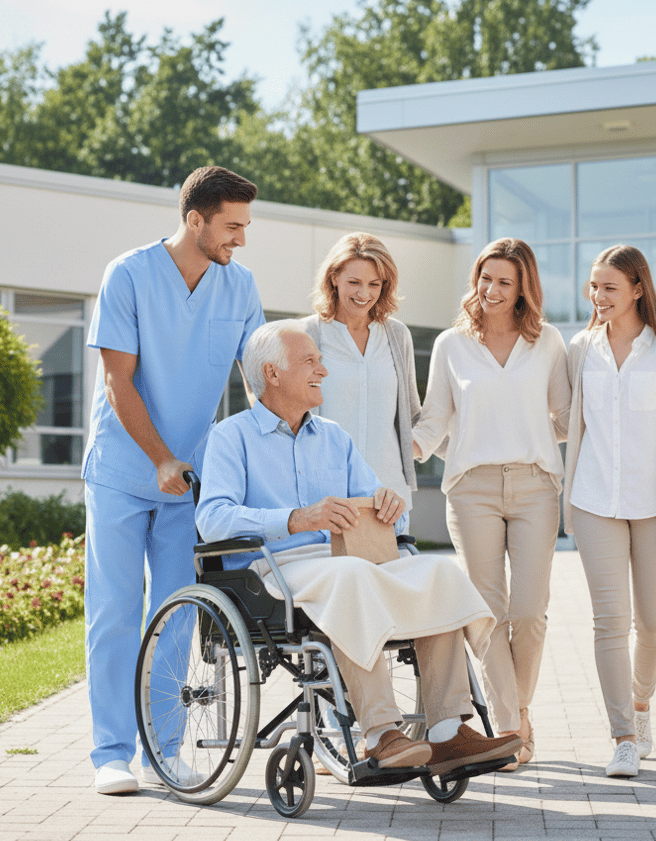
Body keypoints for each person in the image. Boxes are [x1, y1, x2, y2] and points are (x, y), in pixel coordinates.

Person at [196, 321, 523, 773]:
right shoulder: (231, 437)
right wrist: (295, 519)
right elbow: (212, 519)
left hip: (351, 561)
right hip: (275, 569)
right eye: (310, 361)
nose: (323, 370)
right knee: (351, 577)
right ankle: (381, 732)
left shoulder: (334, 437)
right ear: (271, 373)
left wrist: (389, 505)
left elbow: (385, 511)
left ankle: (447, 731)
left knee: (438, 573)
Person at [83, 165, 264, 795]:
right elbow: (118, 381)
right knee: (114, 610)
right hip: (125, 469)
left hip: (191, 480)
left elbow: (258, 381)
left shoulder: (239, 287)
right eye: (232, 226)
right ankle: (111, 751)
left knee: (177, 614)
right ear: (196, 219)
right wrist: (160, 457)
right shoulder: (128, 275)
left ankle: (163, 750)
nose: (241, 238)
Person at [411, 238, 570, 769]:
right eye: (485, 278)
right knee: (486, 611)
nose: (492, 290)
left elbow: (569, 418)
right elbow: (434, 419)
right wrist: (392, 451)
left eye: (505, 281)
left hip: (535, 486)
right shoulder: (453, 345)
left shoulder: (547, 343)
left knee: (528, 613)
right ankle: (511, 727)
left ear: (524, 287)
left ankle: (516, 712)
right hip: (472, 486)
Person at [563, 244, 656, 778]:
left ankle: (641, 705)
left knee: (654, 624)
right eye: (594, 287)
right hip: (595, 499)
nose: (598, 297)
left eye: (609, 288)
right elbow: (565, 416)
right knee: (609, 622)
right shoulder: (581, 348)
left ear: (638, 289)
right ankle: (622, 736)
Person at [300, 233, 420, 525]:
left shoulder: (397, 336)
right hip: (328, 494)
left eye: (374, 284)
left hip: (390, 493)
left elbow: (412, 413)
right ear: (334, 279)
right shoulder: (308, 334)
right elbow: (292, 415)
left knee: (391, 571)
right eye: (354, 282)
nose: (364, 293)